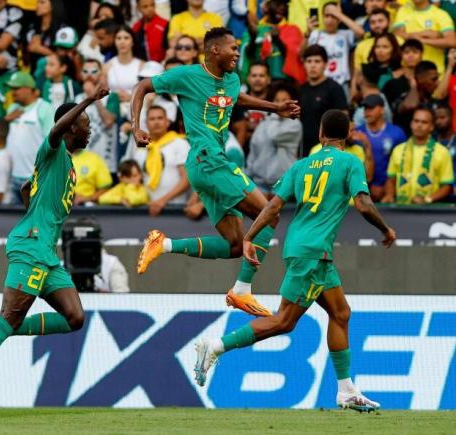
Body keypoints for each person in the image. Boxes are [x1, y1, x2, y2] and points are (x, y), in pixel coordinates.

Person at [193, 109, 396, 413]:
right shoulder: (351, 162)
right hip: (312, 253)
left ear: (320, 135)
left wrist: (250, 236)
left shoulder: (301, 166)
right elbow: (364, 204)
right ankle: (216, 346)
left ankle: (346, 390)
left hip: (307, 249)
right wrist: (385, 228)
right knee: (284, 320)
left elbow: (274, 207)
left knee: (341, 313)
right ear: (349, 136)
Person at [0, 85, 109, 412]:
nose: (89, 131)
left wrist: (33, 205)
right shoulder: (55, 148)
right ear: (72, 126)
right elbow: (56, 129)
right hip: (30, 246)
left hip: (46, 253)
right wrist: (87, 100)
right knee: (11, 316)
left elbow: (24, 187)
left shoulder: (67, 166)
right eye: (86, 124)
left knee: (74, 317)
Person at [131, 27, 300, 318]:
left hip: (207, 167)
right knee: (270, 211)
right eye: (232, 47)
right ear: (214, 50)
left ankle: (164, 244)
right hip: (208, 161)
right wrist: (136, 126)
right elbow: (144, 86)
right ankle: (242, 290)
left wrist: (275, 108)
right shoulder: (187, 76)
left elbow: (238, 98)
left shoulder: (231, 80)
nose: (237, 53)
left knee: (235, 245)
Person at [384, 107, 454, 204]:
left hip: (429, 211)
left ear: (431, 127)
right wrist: (389, 195)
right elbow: (391, 180)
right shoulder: (398, 150)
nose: (419, 125)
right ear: (411, 124)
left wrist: (427, 199)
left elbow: (447, 186)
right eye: (416, 121)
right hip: (401, 209)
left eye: (424, 122)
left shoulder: (442, 152)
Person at [5, 71, 54, 204]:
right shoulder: (12, 109)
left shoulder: (44, 108)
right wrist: (6, 120)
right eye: (11, 89)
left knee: (34, 222)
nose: (13, 92)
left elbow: (52, 143)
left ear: (29, 89)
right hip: (11, 177)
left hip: (34, 179)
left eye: (17, 88)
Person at [131, 105, 190, 215]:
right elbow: (135, 180)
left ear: (167, 122)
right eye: (152, 119)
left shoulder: (180, 144)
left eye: (160, 118)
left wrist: (162, 200)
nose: (156, 122)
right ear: (146, 124)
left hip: (175, 208)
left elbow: (187, 179)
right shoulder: (140, 149)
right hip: (147, 208)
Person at [246, 83, 302, 194]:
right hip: (260, 184)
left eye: (285, 100)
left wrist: (275, 112)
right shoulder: (265, 122)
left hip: (283, 186)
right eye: (277, 100)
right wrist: (249, 175)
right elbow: (254, 146)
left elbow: (274, 136)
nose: (281, 104)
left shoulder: (295, 124)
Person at [355, 94, 407, 201]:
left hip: (389, 191)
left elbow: (402, 163)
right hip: (362, 191)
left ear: (382, 110)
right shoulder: (357, 133)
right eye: (365, 108)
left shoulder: (396, 133)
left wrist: (388, 188)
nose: (367, 112)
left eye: (371, 108)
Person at [298, 45, 347, 157]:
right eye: (309, 61)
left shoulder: (334, 88)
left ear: (325, 64)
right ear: (304, 64)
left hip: (328, 149)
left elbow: (343, 119)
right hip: (305, 148)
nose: (313, 65)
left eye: (317, 61)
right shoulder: (301, 89)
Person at [305, 2, 362, 93]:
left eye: (333, 16)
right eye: (327, 16)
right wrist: (307, 34)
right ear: (323, 17)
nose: (330, 20)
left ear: (339, 19)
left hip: (342, 84)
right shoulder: (315, 34)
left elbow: (361, 33)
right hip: (321, 83)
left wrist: (339, 14)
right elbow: (302, 54)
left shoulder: (346, 34)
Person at [76, 58, 119, 173]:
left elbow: (109, 121)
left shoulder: (111, 97)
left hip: (106, 162)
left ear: (101, 74)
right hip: (82, 163)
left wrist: (94, 97)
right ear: (80, 74)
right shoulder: (76, 98)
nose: (89, 75)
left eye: (94, 71)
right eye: (85, 71)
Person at [393, 0, 456, 73]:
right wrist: (423, 34)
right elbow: (398, 33)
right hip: (409, 73)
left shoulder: (441, 14)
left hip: (434, 73)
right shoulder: (403, 10)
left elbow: (452, 41)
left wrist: (422, 40)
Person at [103, 26, 143, 117]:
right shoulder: (106, 66)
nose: (122, 42)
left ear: (132, 41)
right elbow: (102, 92)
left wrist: (131, 97)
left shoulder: (142, 66)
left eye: (126, 38)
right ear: (114, 41)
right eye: (118, 38)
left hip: (136, 111)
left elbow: (148, 92)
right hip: (112, 111)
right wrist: (114, 96)